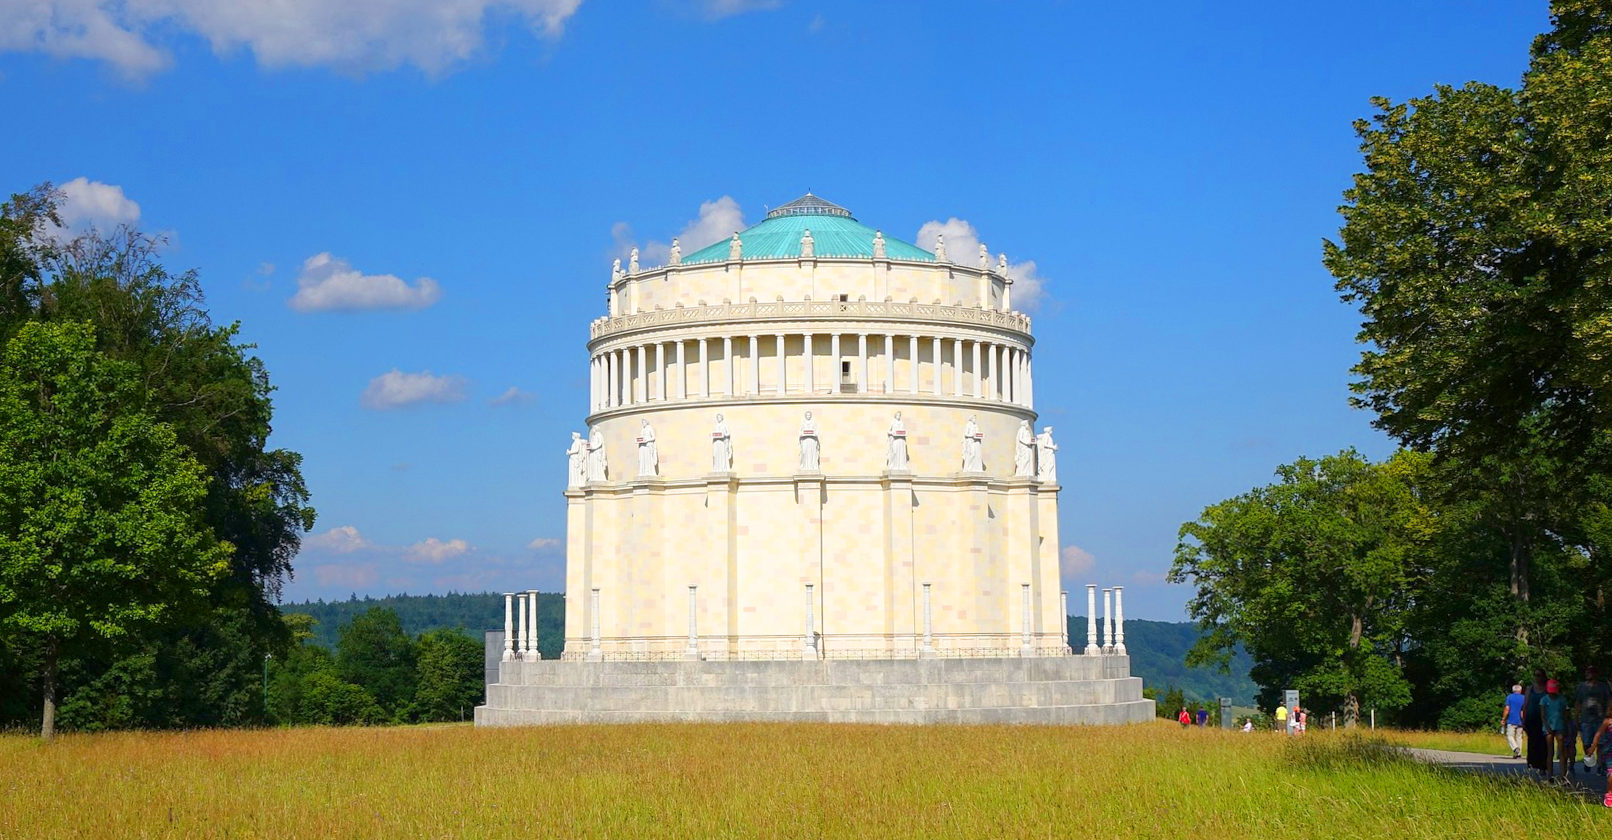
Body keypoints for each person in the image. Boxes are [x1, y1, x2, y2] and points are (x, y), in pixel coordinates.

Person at [1577, 665, 1610, 776]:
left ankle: (1600, 766)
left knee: (1601, 743)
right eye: (1587, 672)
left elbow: (1609, 700)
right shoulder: (1581, 686)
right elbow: (1578, 702)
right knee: (1586, 742)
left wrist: (1608, 713)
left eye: (1590, 672)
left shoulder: (1603, 686)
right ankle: (1588, 760)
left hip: (1600, 718)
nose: (1588, 674)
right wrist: (1577, 716)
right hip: (1586, 718)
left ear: (1595, 674)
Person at [1542, 678, 1569, 780]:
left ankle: (1563, 775)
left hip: (1560, 726)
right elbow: (1543, 715)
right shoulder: (1544, 699)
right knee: (1550, 751)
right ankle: (1550, 775)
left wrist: (1565, 725)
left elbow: (1566, 713)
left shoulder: (1562, 699)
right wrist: (1547, 726)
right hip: (1548, 726)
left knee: (1562, 751)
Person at [1585, 704, 1612, 807]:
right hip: (1610, 751)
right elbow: (1598, 734)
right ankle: (1609, 794)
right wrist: (1593, 747)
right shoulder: (1608, 721)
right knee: (1611, 774)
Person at [1524, 668, 1549, 775]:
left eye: (1539, 675)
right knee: (1533, 741)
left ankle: (1544, 765)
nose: (1537, 677)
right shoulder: (1530, 689)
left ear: (1543, 676)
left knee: (1544, 742)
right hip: (1531, 718)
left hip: (1544, 719)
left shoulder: (1547, 689)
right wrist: (1524, 719)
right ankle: (1533, 763)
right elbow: (1525, 704)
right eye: (1535, 675)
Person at [1502, 683, 1526, 759]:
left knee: (1509, 735)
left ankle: (1515, 748)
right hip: (1521, 721)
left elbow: (1507, 709)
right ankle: (1518, 754)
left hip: (1511, 720)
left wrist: (1503, 719)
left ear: (1513, 690)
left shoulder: (1510, 697)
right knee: (1519, 737)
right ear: (1520, 690)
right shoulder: (1524, 698)